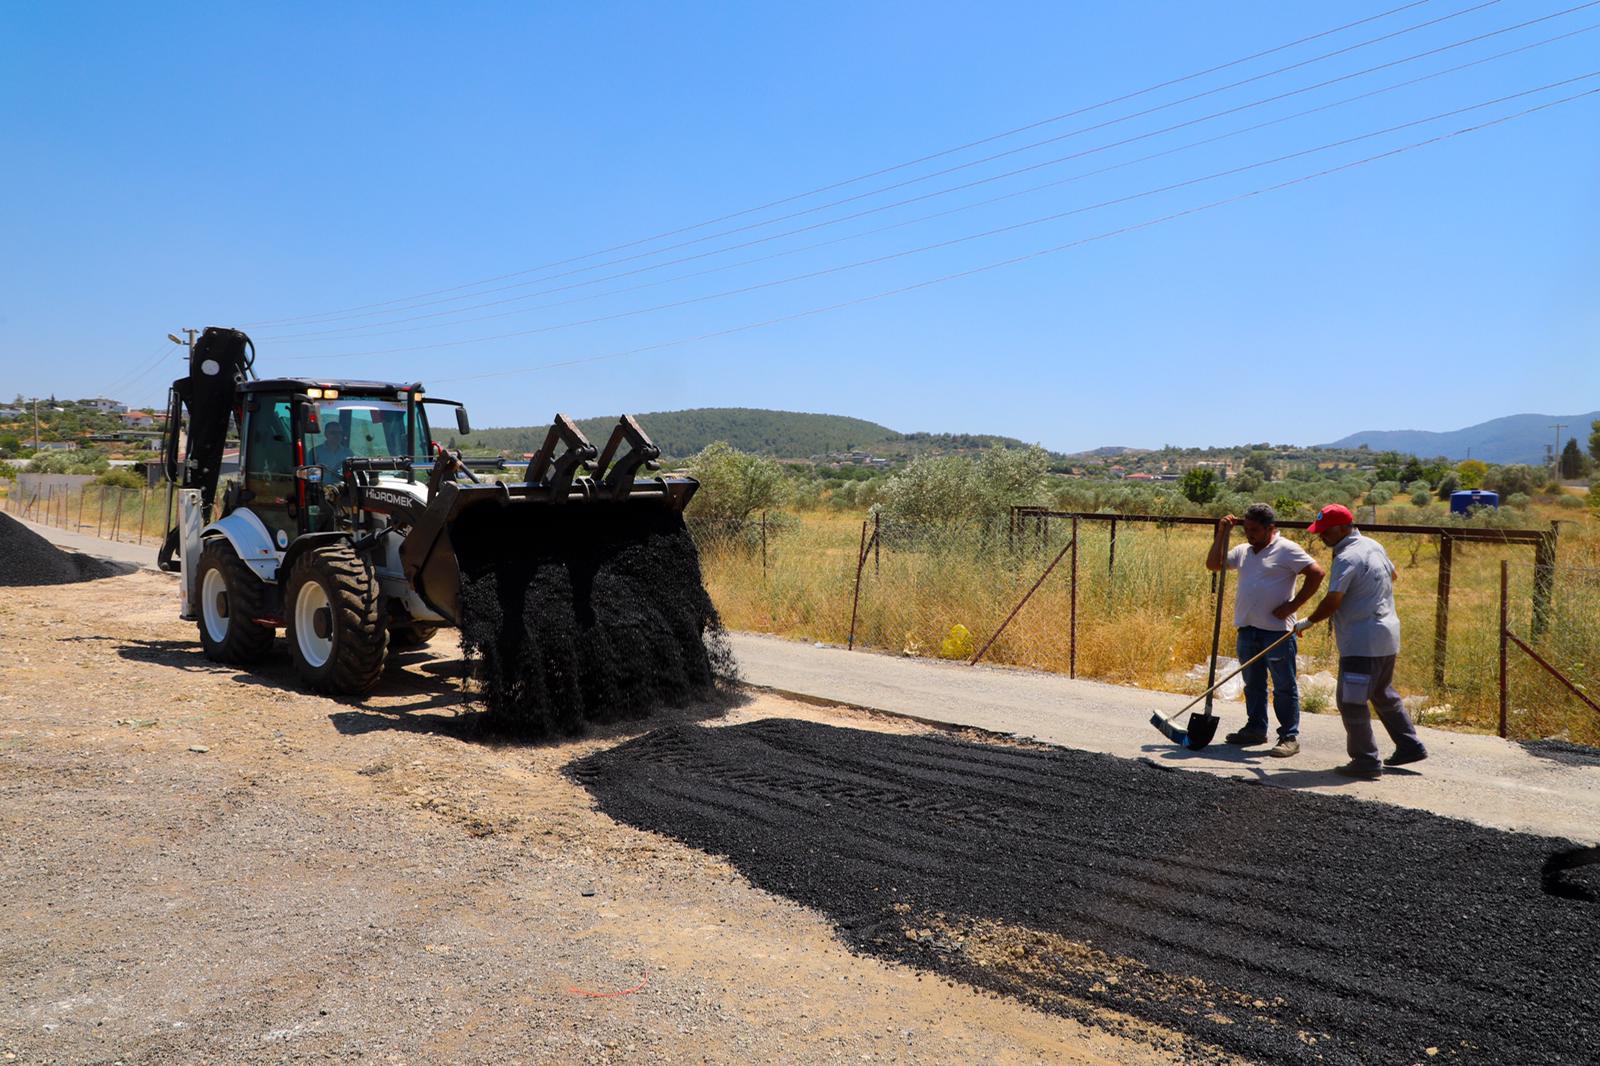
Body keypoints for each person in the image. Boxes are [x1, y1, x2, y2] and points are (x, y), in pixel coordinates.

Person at [1293, 503, 1427, 780]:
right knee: (1381, 692)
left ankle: (1365, 760)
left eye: (1326, 532)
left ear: (1344, 528)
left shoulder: (1347, 557)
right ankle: (1409, 744)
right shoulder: (1372, 545)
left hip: (1362, 640)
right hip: (1387, 635)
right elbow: (1393, 575)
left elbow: (1333, 600)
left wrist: (1307, 622)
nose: (1322, 537)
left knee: (1351, 701)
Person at [1205, 502, 1325, 757]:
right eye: (1246, 529)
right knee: (1253, 684)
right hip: (1247, 628)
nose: (1250, 534)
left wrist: (1294, 605)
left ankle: (1289, 736)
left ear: (1271, 528)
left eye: (1255, 529)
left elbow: (1316, 573)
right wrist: (1221, 533)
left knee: (1283, 686)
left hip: (1277, 632)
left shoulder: (1287, 549)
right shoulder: (1244, 551)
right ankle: (1255, 729)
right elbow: (1213, 565)